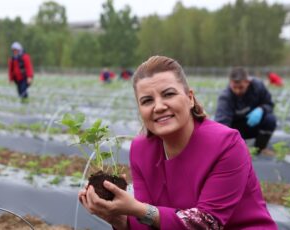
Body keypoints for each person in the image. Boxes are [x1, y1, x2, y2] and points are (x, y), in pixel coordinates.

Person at [78, 56, 277, 229]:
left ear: (190, 98)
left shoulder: (226, 144)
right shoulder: (141, 149)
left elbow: (206, 223)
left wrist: (137, 209)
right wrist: (118, 219)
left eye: (168, 94)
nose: (159, 106)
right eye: (147, 100)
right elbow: (152, 221)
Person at [215, 67, 277, 154]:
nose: (237, 91)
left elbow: (269, 104)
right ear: (230, 83)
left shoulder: (258, 86)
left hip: (253, 124)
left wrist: (261, 109)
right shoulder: (225, 97)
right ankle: (240, 150)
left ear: (247, 82)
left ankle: (258, 150)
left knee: (270, 120)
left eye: (241, 87)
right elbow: (222, 124)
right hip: (236, 129)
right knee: (239, 152)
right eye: (234, 87)